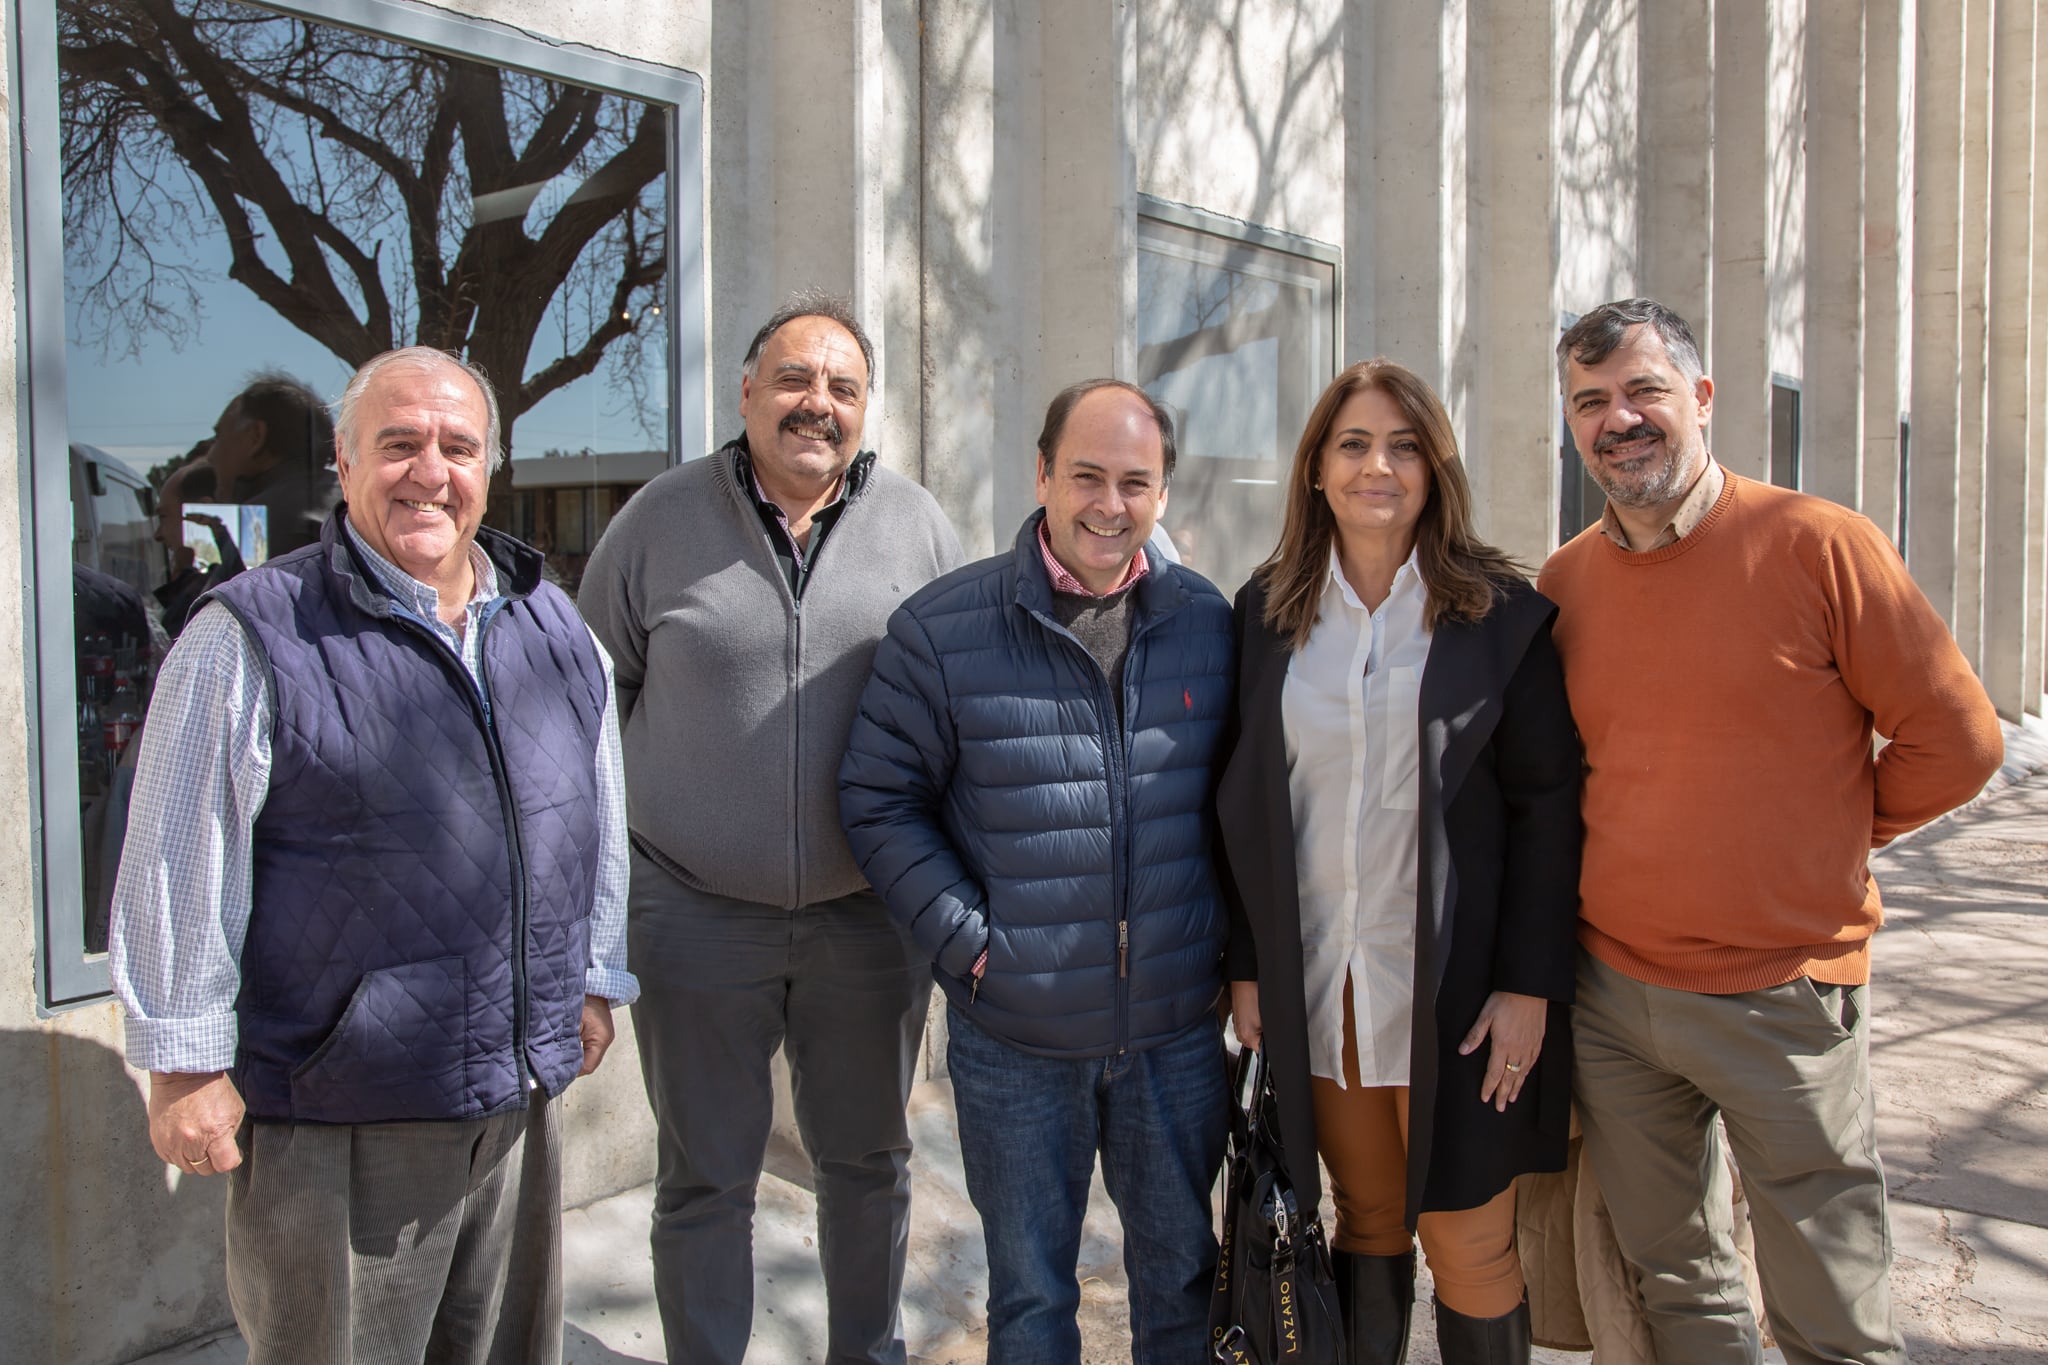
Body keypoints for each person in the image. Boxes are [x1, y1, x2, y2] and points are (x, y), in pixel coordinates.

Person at [108, 346, 636, 1365]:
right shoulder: (252, 632)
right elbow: (179, 851)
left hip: (516, 1101)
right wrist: (182, 1065)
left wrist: (591, 974)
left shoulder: (552, 624)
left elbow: (596, 814)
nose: (429, 471)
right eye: (398, 444)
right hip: (340, 1118)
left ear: (490, 470)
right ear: (345, 465)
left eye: (456, 446)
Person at [1540, 297, 2004, 1364]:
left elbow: (1959, 740)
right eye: (1590, 402)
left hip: (1780, 994)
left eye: (1643, 391)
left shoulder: (1818, 545)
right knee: (1676, 1282)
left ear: (1699, 399)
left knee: (1828, 1305)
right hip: (1611, 998)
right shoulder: (1564, 584)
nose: (1619, 420)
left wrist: (1825, 832)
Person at [578, 291, 963, 1365]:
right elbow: (586, 706)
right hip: (693, 913)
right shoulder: (656, 522)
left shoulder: (920, 529)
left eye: (842, 387)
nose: (816, 405)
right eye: (793, 380)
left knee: (867, 1164)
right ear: (745, 391)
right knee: (704, 1177)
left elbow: (963, 712)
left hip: (866, 923)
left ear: (865, 407)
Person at [840, 378, 1235, 1365]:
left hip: (1174, 1036)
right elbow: (878, 800)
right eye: (1086, 476)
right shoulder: (942, 629)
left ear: (1163, 493)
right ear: (1041, 475)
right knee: (1029, 1297)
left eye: (1134, 482)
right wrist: (974, 949)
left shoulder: (1206, 622)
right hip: (1014, 1034)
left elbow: (1243, 810)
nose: (1109, 504)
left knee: (1181, 1278)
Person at [1216, 359, 1581, 1365]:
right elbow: (1245, 805)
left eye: (1404, 445)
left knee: (1467, 1238)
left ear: (1434, 467)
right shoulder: (1266, 613)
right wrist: (1246, 961)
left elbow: (1547, 813)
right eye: (1352, 444)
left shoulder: (1501, 617)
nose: (1378, 466)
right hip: (1322, 983)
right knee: (1365, 1219)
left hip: (1459, 998)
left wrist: (1525, 985)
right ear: (1315, 470)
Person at [199, 371, 343, 556]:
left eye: (218, 437)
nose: (210, 456)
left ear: (255, 437)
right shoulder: (357, 499)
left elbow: (252, 584)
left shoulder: (258, 521)